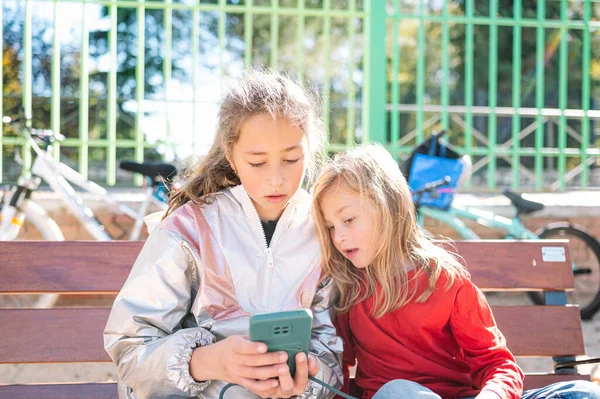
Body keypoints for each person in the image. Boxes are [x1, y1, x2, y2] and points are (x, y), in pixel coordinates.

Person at [104, 70, 343, 399]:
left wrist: (309, 381)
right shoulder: (189, 229)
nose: (276, 179)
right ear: (231, 155)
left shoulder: (323, 232)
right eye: (257, 162)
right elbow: (131, 353)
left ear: (309, 149)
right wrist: (205, 362)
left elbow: (329, 350)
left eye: (291, 158)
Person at [310, 143, 600, 399]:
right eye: (331, 227)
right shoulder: (347, 289)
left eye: (348, 219)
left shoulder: (445, 280)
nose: (338, 237)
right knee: (399, 391)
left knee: (580, 392)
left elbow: (498, 365)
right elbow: (340, 373)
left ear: (387, 207)